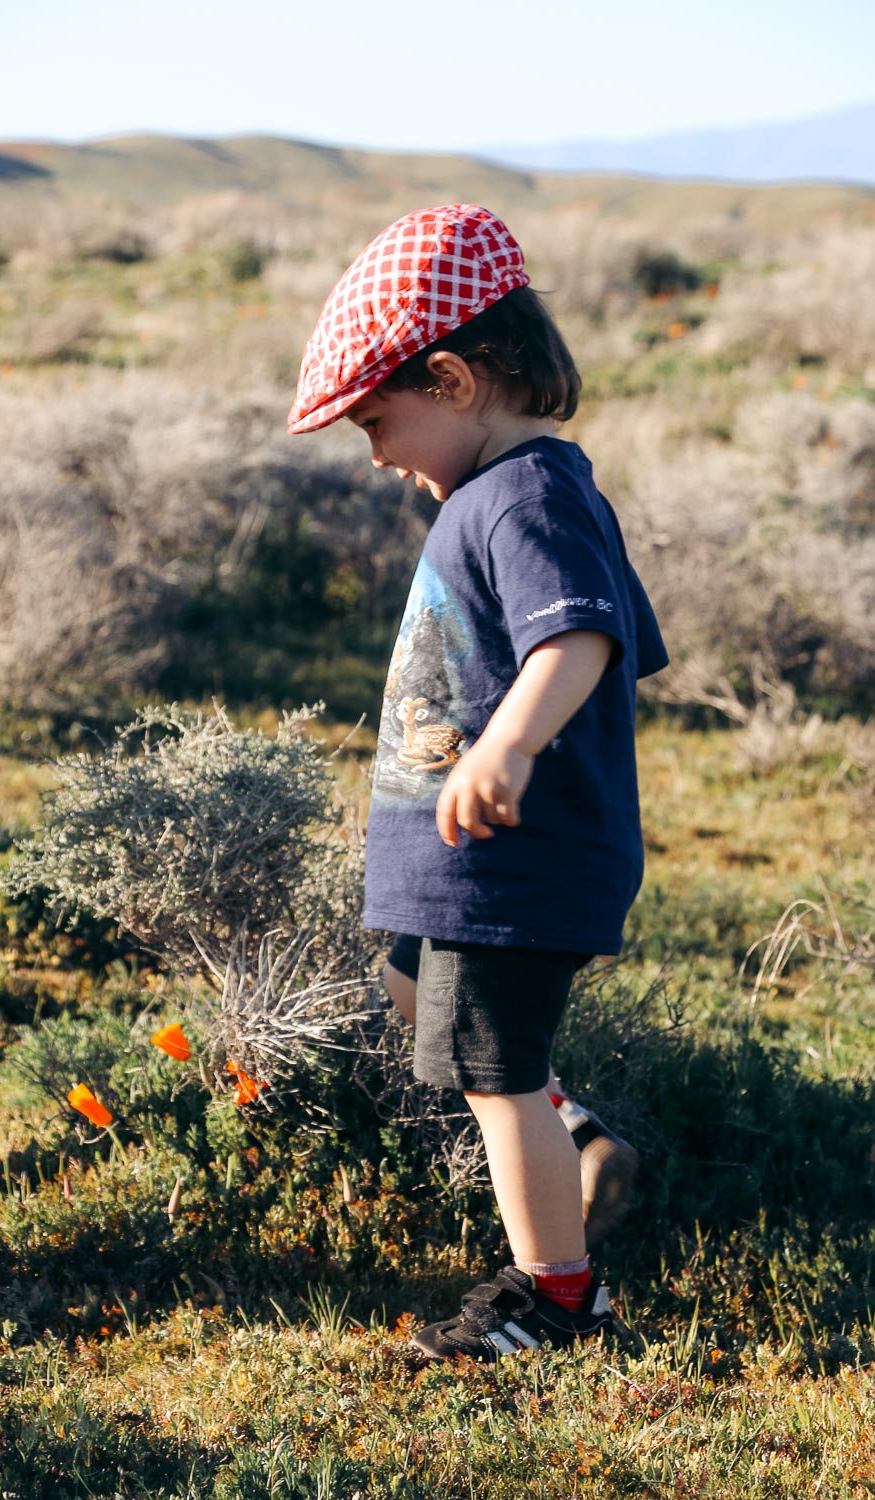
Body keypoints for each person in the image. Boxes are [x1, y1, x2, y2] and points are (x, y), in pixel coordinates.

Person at [287, 204, 668, 1362]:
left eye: (378, 422)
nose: (377, 454)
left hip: (518, 856)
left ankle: (557, 1305)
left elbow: (582, 641)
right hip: (465, 866)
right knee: (413, 993)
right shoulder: (490, 497)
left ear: (451, 378)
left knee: (495, 1077)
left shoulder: (530, 496)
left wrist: (505, 749)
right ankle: (578, 1136)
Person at [382, 932, 639, 1254]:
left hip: (491, 894)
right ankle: (573, 1127)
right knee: (408, 976)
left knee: (490, 1078)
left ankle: (556, 1288)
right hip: (579, 895)